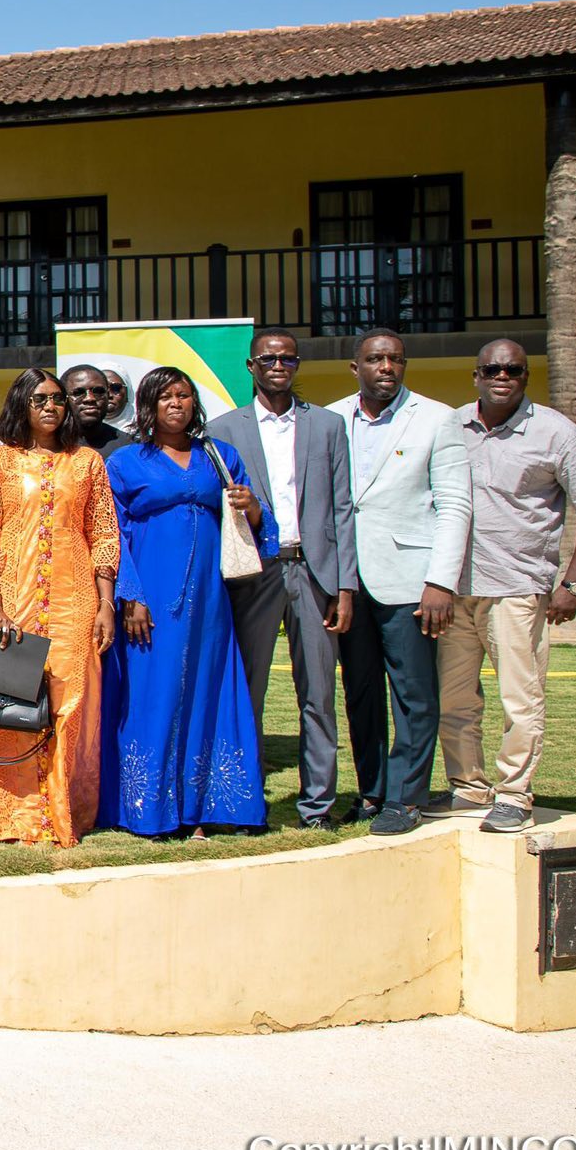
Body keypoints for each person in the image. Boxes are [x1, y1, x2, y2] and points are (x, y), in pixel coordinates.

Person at [434, 340, 576, 834]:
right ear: (476, 375)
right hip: (454, 588)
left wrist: (571, 584)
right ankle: (468, 788)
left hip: (517, 586)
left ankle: (514, 793)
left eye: (512, 369)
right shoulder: (451, 427)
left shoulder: (556, 432)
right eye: (492, 368)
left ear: (525, 376)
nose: (502, 376)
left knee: (521, 699)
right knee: (454, 699)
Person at [101, 368, 274, 837]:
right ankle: (148, 807)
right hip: (149, 600)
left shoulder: (219, 456)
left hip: (210, 604)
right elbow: (112, 535)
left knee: (206, 690)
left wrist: (252, 507)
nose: (177, 403)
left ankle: (203, 807)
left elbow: (261, 527)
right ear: (148, 406)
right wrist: (130, 596)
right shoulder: (124, 462)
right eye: (165, 397)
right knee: (152, 694)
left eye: (184, 395)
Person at [0, 369, 118, 848]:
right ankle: (7, 814)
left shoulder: (86, 462)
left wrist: (107, 603)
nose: (52, 406)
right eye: (40, 398)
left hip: (75, 599)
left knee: (70, 702)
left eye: (58, 399)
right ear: (21, 404)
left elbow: (104, 533)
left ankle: (61, 811)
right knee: (8, 700)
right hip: (14, 599)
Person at [208, 328, 359, 830]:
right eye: (269, 358)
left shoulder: (328, 426)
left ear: (297, 366)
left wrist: (345, 586)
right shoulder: (224, 429)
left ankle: (317, 804)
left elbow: (342, 511)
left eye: (288, 358)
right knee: (245, 690)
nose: (278, 365)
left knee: (317, 693)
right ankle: (244, 801)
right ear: (251, 366)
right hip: (256, 573)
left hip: (312, 572)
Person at [328, 330, 471, 835]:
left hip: (410, 579)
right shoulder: (332, 417)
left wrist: (440, 582)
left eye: (394, 359)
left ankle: (406, 797)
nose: (386, 367)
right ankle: (372, 791)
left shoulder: (438, 419)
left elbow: (454, 505)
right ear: (356, 367)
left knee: (413, 692)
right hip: (346, 580)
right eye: (375, 359)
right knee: (360, 690)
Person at [60, 365, 131, 456]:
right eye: (78, 393)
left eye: (98, 391)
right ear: (63, 399)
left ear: (107, 395)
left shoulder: (128, 447)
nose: (90, 399)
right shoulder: (46, 445)